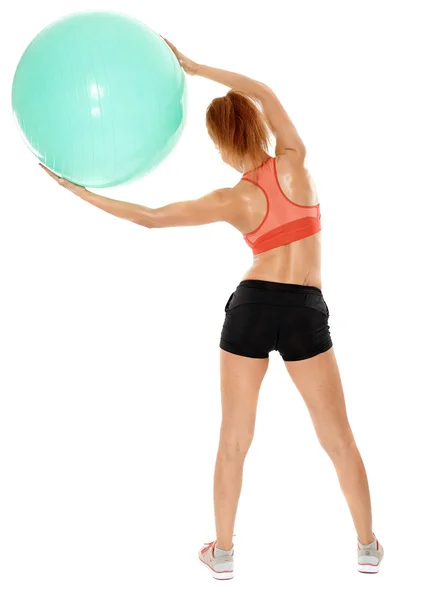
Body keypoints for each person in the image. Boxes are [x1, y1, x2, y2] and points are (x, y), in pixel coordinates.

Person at [40, 39, 384, 580]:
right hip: (305, 310)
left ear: (224, 143)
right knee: (338, 437)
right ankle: (367, 546)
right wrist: (197, 69)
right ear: (257, 126)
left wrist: (76, 189)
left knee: (234, 438)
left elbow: (150, 217)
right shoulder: (294, 161)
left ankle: (222, 554)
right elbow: (264, 90)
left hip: (250, 307)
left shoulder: (232, 200)